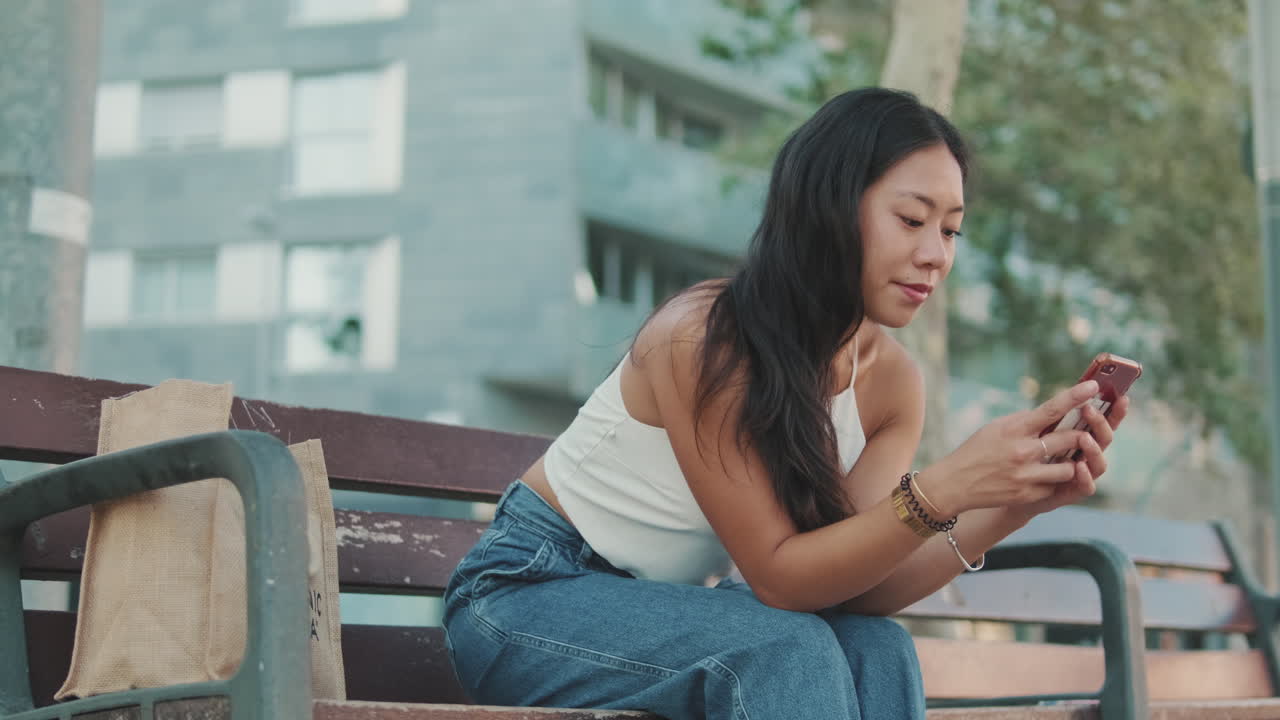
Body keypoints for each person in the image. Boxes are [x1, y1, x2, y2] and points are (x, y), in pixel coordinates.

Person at [442, 87, 1128, 719]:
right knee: (783, 647)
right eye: (912, 219)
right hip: (527, 598)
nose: (934, 255)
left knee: (876, 645)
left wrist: (1015, 503)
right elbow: (779, 578)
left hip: (672, 611)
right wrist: (945, 486)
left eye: (950, 230)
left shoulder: (891, 382)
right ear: (831, 207)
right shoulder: (706, 338)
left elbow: (857, 585)